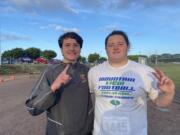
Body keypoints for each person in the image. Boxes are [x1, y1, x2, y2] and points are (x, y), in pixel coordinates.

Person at [88, 30, 175, 135]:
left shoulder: (146, 72)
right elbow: (91, 95)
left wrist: (169, 93)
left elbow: (159, 102)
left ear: (128, 47)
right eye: (111, 45)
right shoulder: (94, 72)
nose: (115, 47)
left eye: (120, 44)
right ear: (106, 49)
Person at [26, 32, 94, 135]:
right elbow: (32, 108)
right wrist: (53, 87)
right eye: (67, 45)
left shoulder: (87, 71)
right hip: (59, 132)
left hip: (86, 131)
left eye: (76, 45)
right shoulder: (50, 71)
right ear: (61, 49)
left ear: (80, 48)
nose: (72, 49)